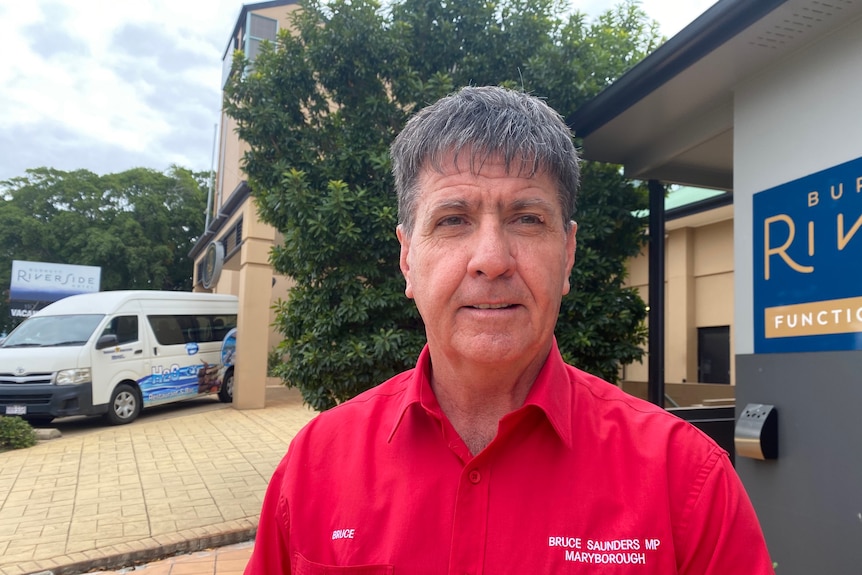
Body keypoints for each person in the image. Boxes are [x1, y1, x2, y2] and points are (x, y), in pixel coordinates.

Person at [244, 86, 774, 574]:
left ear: (566, 255)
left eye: (526, 218)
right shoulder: (314, 465)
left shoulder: (685, 478)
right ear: (407, 258)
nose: (492, 260)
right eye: (453, 219)